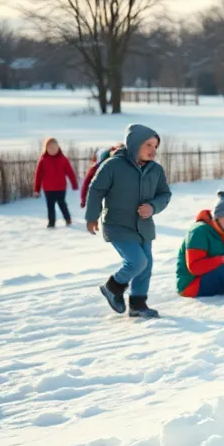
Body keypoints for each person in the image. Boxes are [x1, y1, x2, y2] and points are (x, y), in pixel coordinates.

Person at [85, 124, 172, 318]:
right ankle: (112, 287)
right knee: (137, 261)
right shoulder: (113, 165)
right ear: (134, 144)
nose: (153, 150)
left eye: (156, 146)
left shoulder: (156, 170)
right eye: (148, 145)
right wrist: (92, 216)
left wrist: (153, 207)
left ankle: (138, 305)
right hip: (118, 225)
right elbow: (96, 190)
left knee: (146, 265)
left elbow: (165, 194)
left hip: (144, 227)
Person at [33, 137, 78, 228]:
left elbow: (70, 172)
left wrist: (74, 184)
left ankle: (68, 219)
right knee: (50, 206)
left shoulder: (63, 159)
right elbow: (38, 176)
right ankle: (51, 223)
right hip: (48, 189)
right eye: (50, 148)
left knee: (62, 204)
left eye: (54, 148)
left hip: (61, 188)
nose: (52, 150)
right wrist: (37, 189)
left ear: (58, 148)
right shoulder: (43, 160)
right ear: (46, 149)